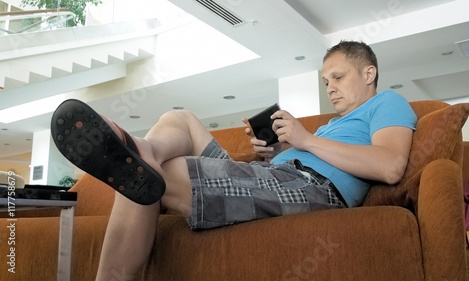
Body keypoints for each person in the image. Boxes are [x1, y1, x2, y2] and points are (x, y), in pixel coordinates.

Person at [50, 40, 417, 280]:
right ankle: (145, 151)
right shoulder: (333, 127)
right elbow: (307, 160)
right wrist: (275, 151)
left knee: (165, 173)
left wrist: (304, 139)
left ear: (369, 74)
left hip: (315, 189)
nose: (330, 87)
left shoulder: (387, 104)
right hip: (278, 174)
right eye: (325, 81)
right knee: (181, 118)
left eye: (337, 77)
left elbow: (389, 165)